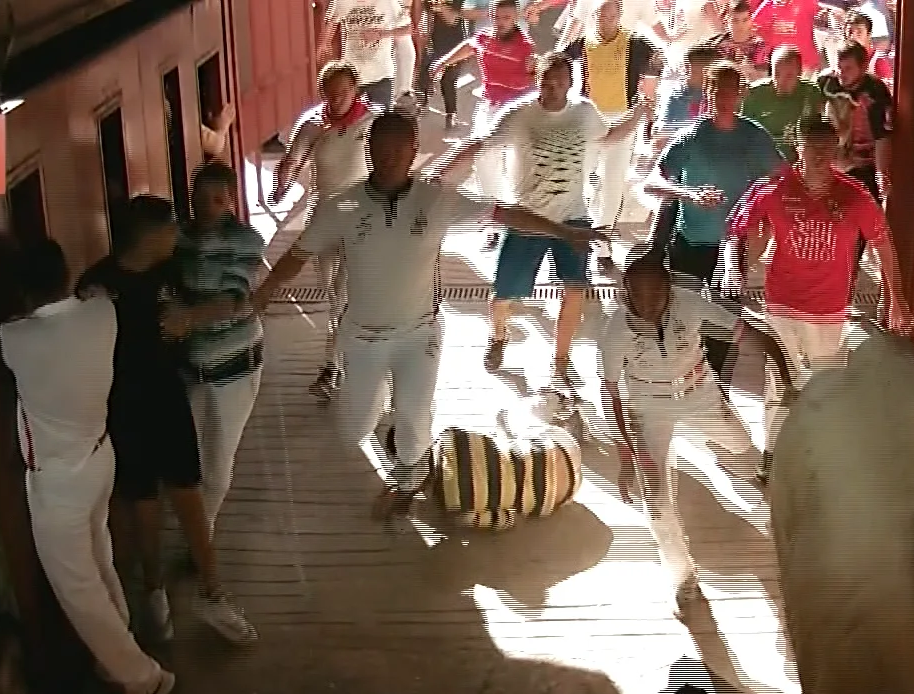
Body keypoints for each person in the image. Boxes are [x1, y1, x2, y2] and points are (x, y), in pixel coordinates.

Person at [252, 110, 605, 520]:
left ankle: (407, 479)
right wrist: (262, 295)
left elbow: (504, 213)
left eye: (398, 150)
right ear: (368, 149)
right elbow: (296, 256)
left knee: (415, 417)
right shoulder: (342, 204)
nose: (388, 157)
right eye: (380, 149)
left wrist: (563, 232)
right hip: (361, 338)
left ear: (413, 152)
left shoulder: (436, 199)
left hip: (418, 335)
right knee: (352, 431)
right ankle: (395, 425)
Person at [0, 238, 176, 694]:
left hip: (59, 482)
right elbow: (97, 294)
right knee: (99, 562)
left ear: (20, 290)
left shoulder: (16, 339)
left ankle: (143, 678)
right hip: (100, 458)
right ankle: (116, 648)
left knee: (77, 585)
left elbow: (16, 332)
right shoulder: (102, 315)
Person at [76, 196, 257, 647]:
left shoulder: (171, 272)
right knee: (142, 501)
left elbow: (229, 300)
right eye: (171, 230)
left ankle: (211, 593)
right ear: (149, 236)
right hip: (121, 406)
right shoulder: (98, 286)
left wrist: (191, 318)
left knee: (188, 491)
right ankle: (154, 589)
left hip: (168, 396)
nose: (177, 236)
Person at [431, 51, 652, 389]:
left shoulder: (584, 113)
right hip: (527, 218)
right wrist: (444, 172)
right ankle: (499, 335)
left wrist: (637, 117)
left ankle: (560, 360)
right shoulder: (519, 116)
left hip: (574, 216)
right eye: (547, 81)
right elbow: (480, 143)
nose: (552, 88)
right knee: (503, 295)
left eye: (560, 82)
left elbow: (608, 138)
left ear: (571, 84)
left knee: (576, 290)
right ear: (538, 81)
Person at [587, 243, 789, 611]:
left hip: (702, 395)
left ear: (670, 290)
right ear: (625, 293)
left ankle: (762, 474)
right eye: (638, 296)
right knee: (657, 502)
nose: (648, 305)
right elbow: (610, 392)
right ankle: (682, 576)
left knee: (743, 444)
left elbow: (746, 331)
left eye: (656, 295)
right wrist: (625, 454)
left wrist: (783, 369)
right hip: (649, 410)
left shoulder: (690, 304)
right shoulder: (615, 330)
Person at [723, 115, 906, 479]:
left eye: (828, 150)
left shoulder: (854, 196)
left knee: (823, 383)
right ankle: (773, 456)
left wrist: (896, 298)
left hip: (828, 308)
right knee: (780, 383)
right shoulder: (773, 189)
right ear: (799, 149)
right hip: (782, 304)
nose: (821, 158)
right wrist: (732, 267)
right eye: (813, 150)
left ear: (837, 149)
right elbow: (736, 230)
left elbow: (883, 243)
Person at [161, 164, 269, 649]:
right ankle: (198, 540)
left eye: (216, 198)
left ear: (229, 199)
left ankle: (198, 540)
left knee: (219, 465)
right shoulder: (177, 240)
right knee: (188, 461)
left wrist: (189, 317)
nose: (207, 206)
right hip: (188, 369)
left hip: (234, 367)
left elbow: (238, 298)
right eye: (198, 196)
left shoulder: (247, 241)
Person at [643, 61, 786, 375]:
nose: (724, 97)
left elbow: (784, 180)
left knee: (726, 319)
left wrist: (765, 224)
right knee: (682, 317)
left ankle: (716, 383)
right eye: (717, 89)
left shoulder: (754, 137)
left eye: (731, 91)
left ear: (740, 95)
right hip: (690, 242)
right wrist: (689, 194)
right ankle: (681, 375)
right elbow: (653, 181)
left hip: (732, 247)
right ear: (707, 92)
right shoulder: (690, 136)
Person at [272, 61, 377, 406]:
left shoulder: (370, 120)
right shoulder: (313, 125)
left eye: (344, 91)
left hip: (359, 213)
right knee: (333, 297)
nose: (338, 99)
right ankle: (339, 361)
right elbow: (292, 159)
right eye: (331, 93)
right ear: (323, 93)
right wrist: (281, 185)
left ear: (355, 91)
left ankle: (335, 366)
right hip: (324, 214)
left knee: (345, 291)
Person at [386, 401, 585, 529]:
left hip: (559, 497)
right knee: (510, 418)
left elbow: (509, 520)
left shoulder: (452, 508)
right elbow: (498, 445)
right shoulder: (450, 436)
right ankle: (562, 409)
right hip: (564, 452)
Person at [429, 0, 538, 228]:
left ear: (516, 17)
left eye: (507, 18)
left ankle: (514, 214)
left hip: (514, 111)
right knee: (484, 160)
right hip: (489, 105)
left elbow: (535, 79)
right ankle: (495, 216)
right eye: (497, 18)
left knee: (508, 162)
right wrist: (443, 62)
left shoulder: (525, 46)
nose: (501, 23)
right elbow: (470, 44)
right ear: (491, 16)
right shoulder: (484, 37)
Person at [560, 0, 666, 232]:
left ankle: (603, 240)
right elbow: (558, 61)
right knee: (580, 175)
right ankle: (577, 224)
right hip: (589, 118)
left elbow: (657, 66)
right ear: (594, 17)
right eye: (601, 17)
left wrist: (649, 106)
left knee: (614, 180)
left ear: (619, 17)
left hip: (623, 118)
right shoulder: (583, 43)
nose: (606, 23)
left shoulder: (636, 43)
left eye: (611, 18)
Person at [817, 40, 893, 200]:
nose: (842, 74)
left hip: (864, 164)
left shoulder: (874, 91)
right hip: (831, 160)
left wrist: (881, 174)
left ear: (863, 67)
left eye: (848, 68)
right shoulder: (826, 83)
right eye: (839, 67)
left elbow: (882, 137)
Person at [320, 0, 416, 107]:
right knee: (354, 121)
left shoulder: (389, 3)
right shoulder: (342, 1)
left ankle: (405, 89)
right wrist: (325, 43)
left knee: (381, 121)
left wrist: (381, 34)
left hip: (381, 75)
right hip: (352, 77)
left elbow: (409, 28)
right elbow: (332, 20)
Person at [740, 44, 822, 160]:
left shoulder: (810, 93)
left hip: (799, 161)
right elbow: (743, 133)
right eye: (776, 74)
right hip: (763, 160)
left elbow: (817, 132)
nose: (781, 81)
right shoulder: (754, 94)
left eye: (789, 76)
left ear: (799, 73)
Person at [419, 0, 473, 128]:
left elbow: (452, 19)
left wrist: (440, 6)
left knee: (448, 80)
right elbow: (426, 18)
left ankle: (451, 114)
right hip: (434, 42)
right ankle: (421, 104)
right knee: (425, 72)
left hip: (455, 44)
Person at [705, 1, 771, 84]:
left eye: (745, 20)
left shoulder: (759, 45)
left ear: (750, 20)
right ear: (726, 20)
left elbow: (762, 79)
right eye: (735, 20)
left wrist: (748, 69)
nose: (740, 25)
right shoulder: (715, 45)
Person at [748, 0, 825, 70]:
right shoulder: (769, 5)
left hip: (806, 64)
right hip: (780, 64)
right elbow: (753, 29)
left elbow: (823, 17)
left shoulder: (807, 2)